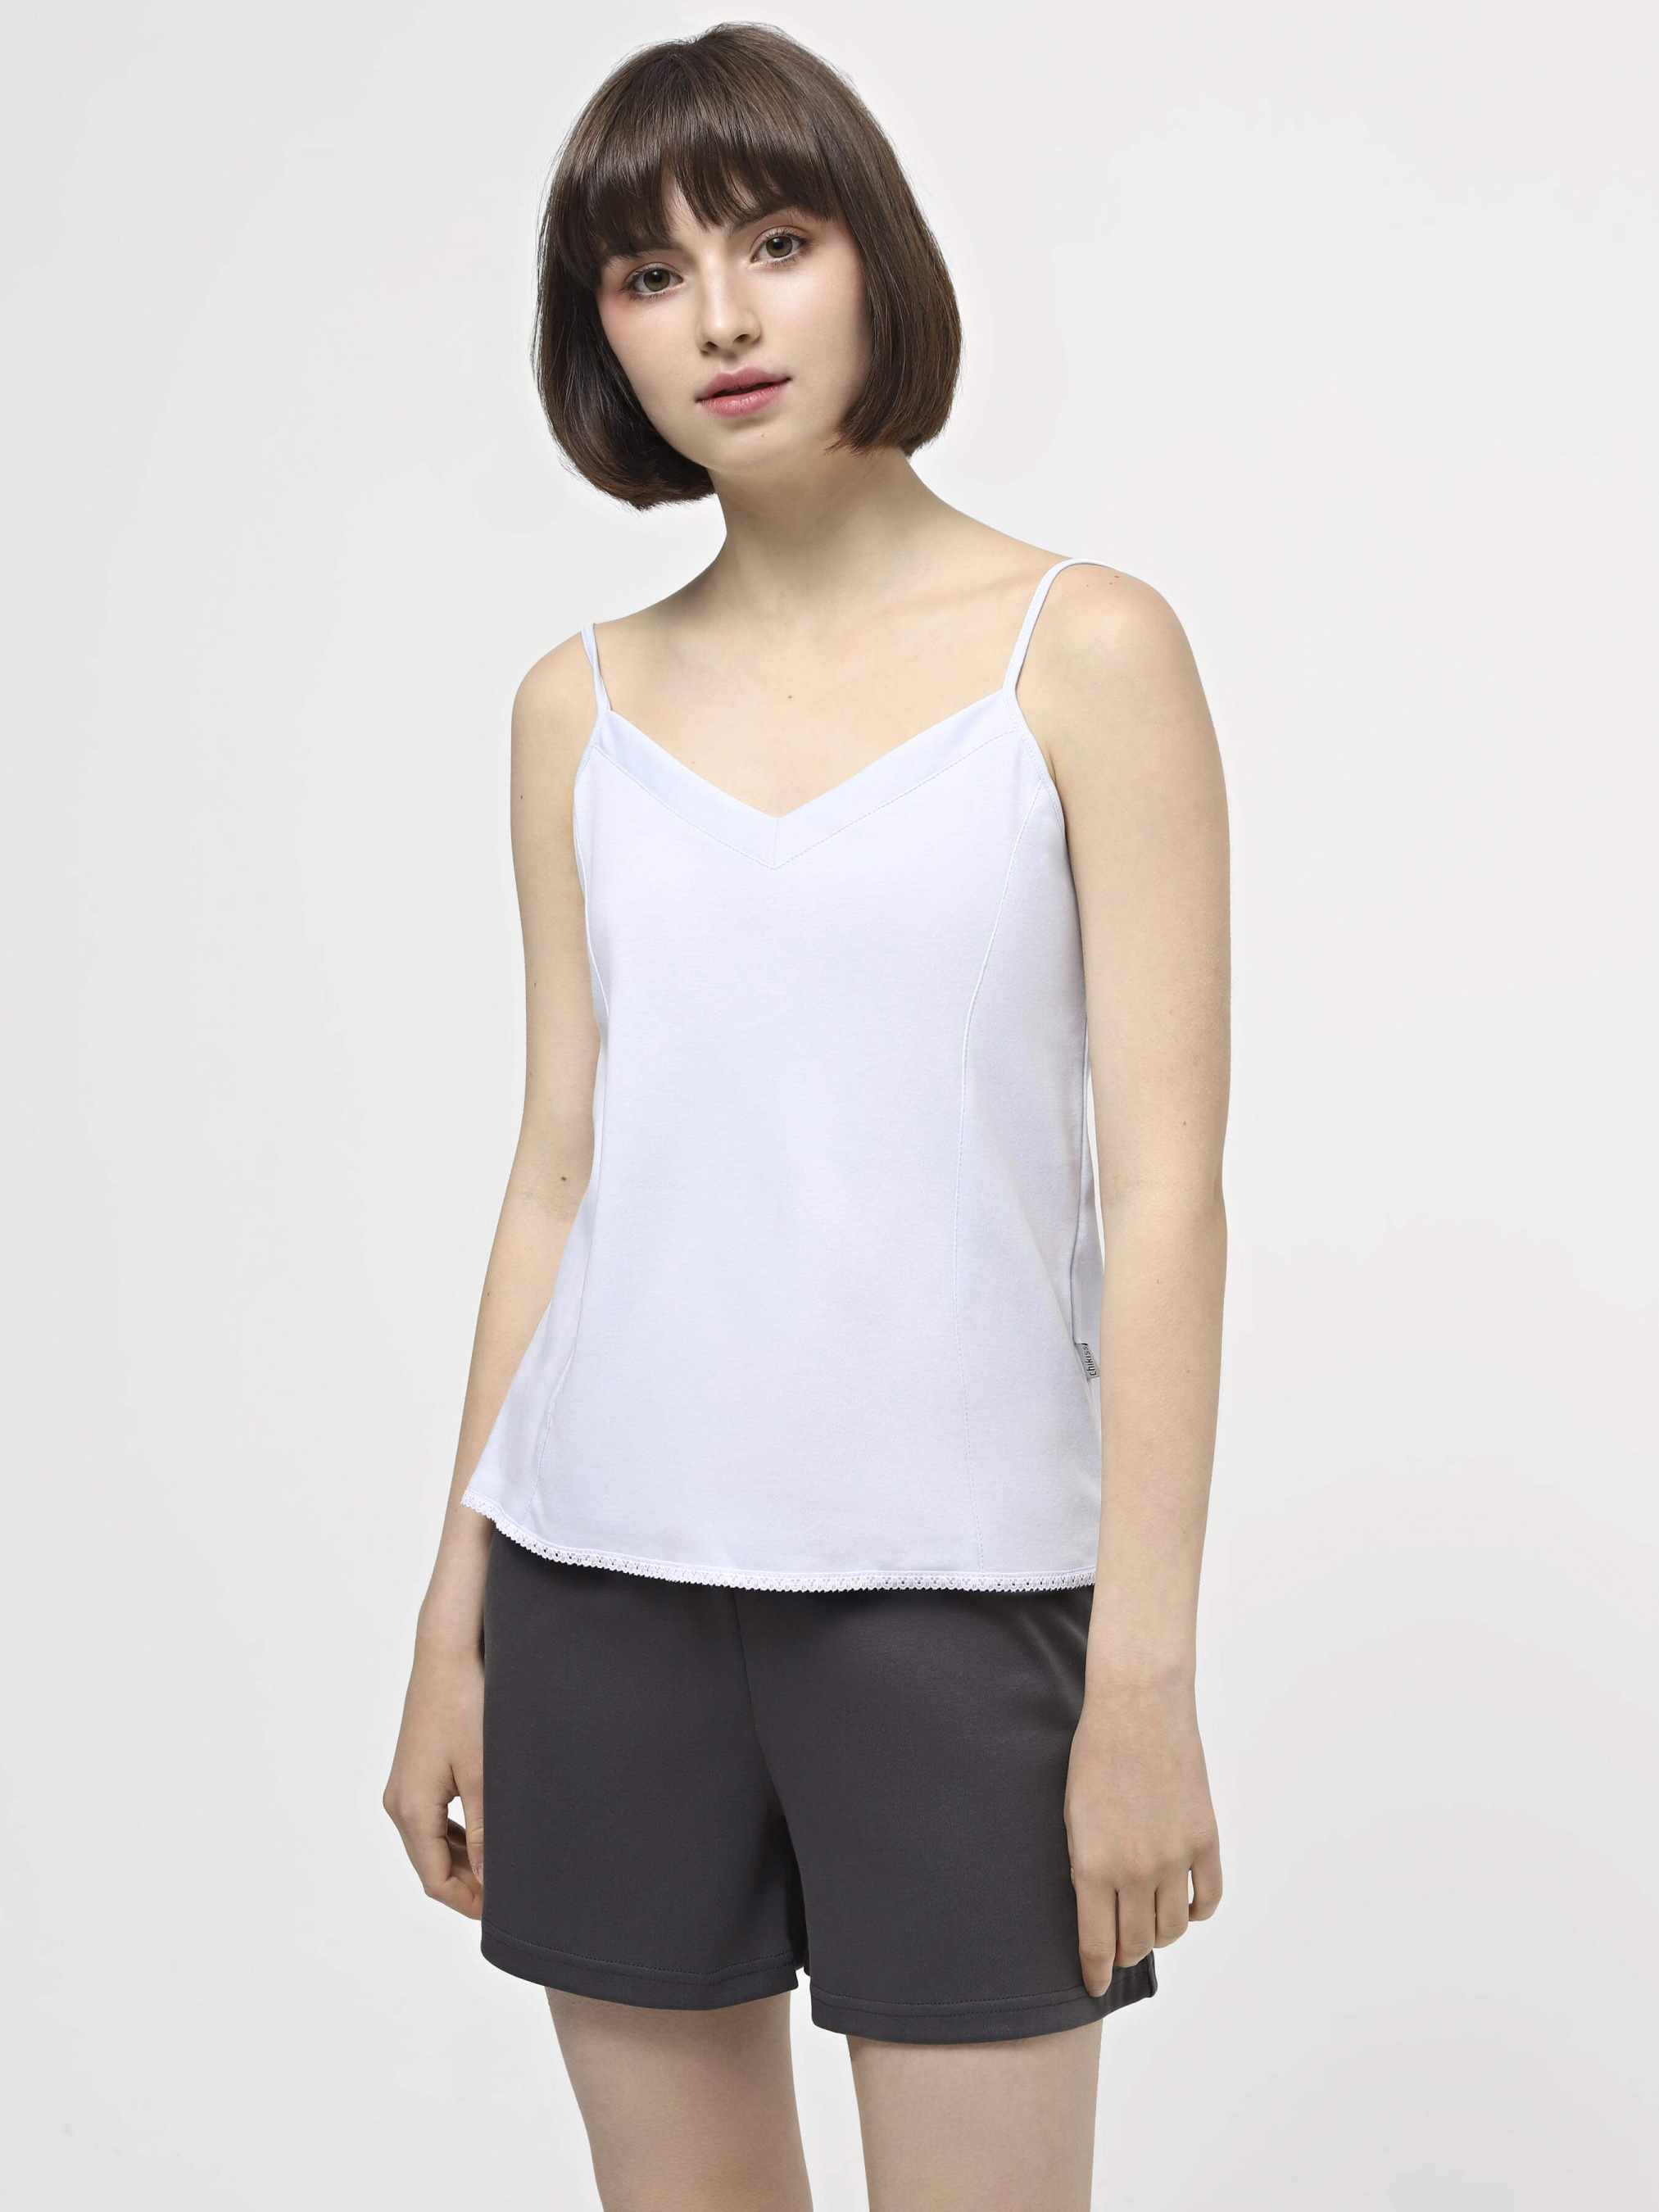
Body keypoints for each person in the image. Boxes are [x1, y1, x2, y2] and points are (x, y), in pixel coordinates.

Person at [383, 23, 1230, 2210]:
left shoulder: (1082, 652)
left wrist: (1140, 1674)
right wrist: (450, 1624)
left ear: (876, 261)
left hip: (955, 1592)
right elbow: (557, 1174)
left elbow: (1164, 1196)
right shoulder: (574, 709)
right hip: (596, 1590)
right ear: (601, 332)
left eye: (773, 242)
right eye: (649, 275)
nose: (723, 321)